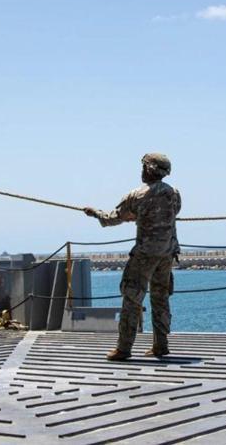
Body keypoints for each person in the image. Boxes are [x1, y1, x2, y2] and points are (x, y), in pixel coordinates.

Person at [83, 153, 181, 361]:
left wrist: (95, 213)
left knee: (132, 297)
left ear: (148, 169)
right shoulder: (174, 194)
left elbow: (112, 219)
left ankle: (124, 348)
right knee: (161, 298)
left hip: (145, 254)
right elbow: (174, 212)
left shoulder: (137, 195)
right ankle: (161, 346)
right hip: (167, 253)